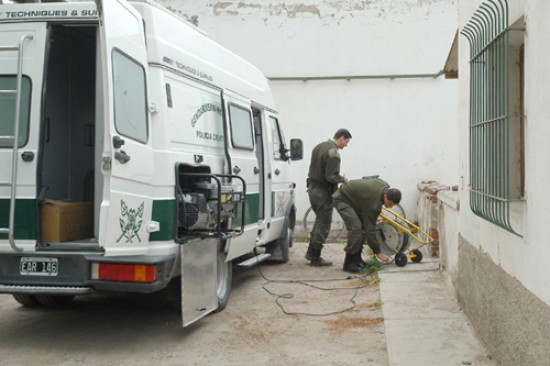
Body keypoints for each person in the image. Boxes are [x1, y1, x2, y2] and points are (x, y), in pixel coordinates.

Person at [332, 177, 402, 273]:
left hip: (355, 201)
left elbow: (368, 178)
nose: (390, 207)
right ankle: (348, 263)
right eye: (389, 203)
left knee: (363, 228)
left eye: (392, 205)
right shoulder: (374, 203)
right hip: (342, 198)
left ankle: (357, 259)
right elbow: (371, 230)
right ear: (385, 196)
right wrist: (378, 252)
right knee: (356, 227)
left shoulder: (384, 185)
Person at [306, 128, 352, 266]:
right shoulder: (334, 153)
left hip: (312, 189)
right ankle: (315, 257)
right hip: (323, 193)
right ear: (342, 138)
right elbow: (331, 177)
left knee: (318, 222)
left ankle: (310, 252)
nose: (346, 145)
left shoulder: (319, 146)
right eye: (347, 142)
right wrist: (342, 179)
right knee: (324, 224)